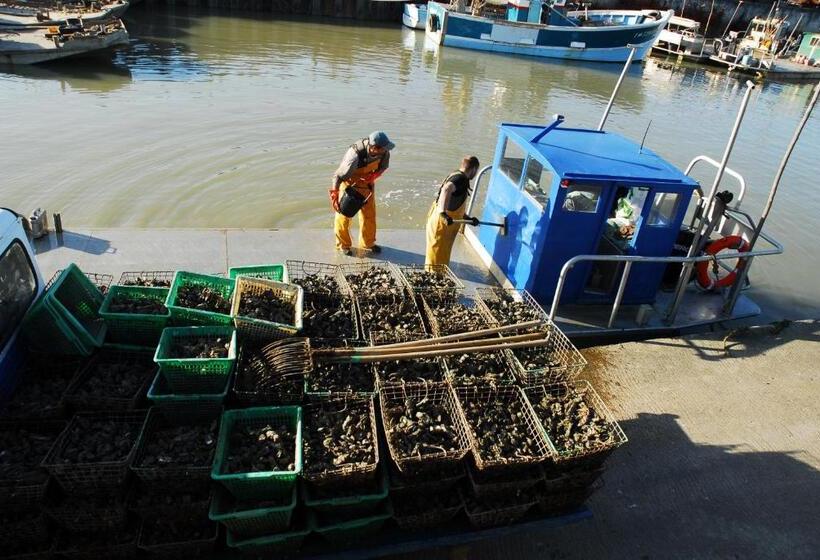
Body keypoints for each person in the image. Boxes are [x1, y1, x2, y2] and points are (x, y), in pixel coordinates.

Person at [330, 131, 395, 256]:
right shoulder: (355, 155)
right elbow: (338, 176)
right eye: (383, 149)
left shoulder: (385, 152)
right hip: (350, 185)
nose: (386, 151)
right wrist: (335, 195)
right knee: (344, 216)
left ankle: (368, 243)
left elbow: (383, 167)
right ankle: (343, 245)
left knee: (369, 215)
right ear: (374, 148)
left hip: (367, 185)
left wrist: (374, 176)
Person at [425, 156, 481, 266]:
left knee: (441, 256)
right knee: (436, 258)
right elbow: (447, 189)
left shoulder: (457, 175)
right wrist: (443, 213)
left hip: (443, 222)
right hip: (441, 224)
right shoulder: (460, 179)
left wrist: (467, 219)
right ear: (474, 169)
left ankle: (437, 277)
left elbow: (454, 205)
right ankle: (433, 278)